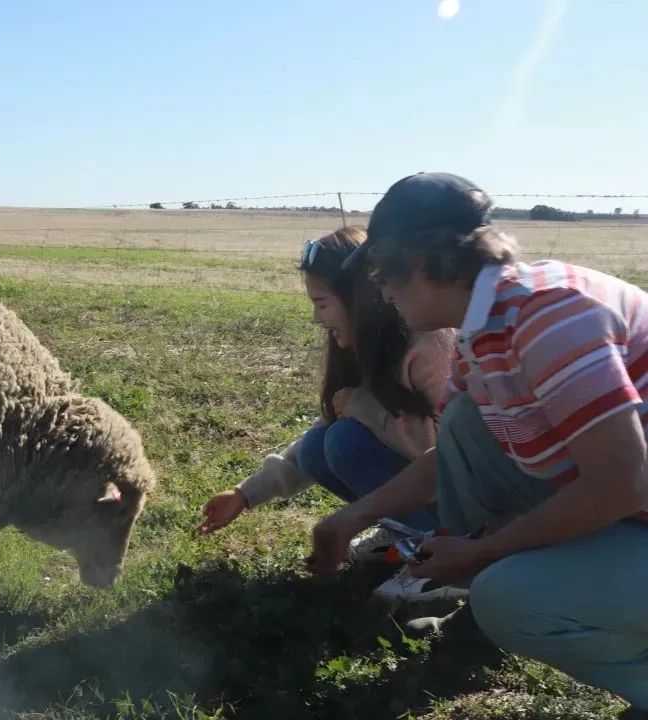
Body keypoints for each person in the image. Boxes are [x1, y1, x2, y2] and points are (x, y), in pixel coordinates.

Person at [308, 172, 648, 717]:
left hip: (628, 503)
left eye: (381, 270)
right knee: (466, 420)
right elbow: (451, 454)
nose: (380, 288)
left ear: (419, 263)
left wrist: (484, 552)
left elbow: (621, 483)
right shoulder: (488, 323)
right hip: (630, 514)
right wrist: (354, 516)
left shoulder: (550, 316)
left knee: (508, 597)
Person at [197, 226, 457, 599]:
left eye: (321, 303)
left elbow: (452, 451)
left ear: (359, 298)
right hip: (426, 492)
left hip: (470, 506)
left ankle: (443, 561)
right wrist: (244, 495)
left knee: (343, 442)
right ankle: (404, 534)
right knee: (321, 444)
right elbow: (327, 430)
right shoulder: (366, 346)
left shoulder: (429, 345)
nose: (318, 319)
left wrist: (360, 407)